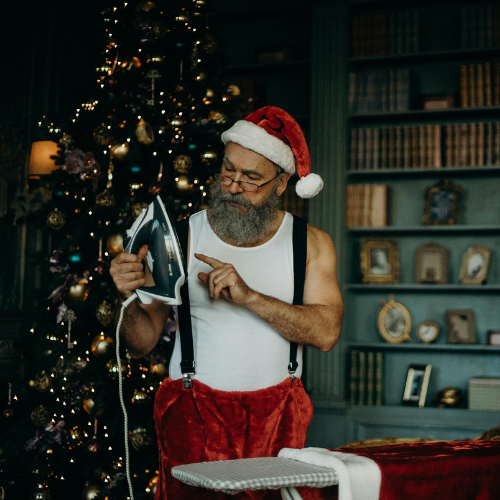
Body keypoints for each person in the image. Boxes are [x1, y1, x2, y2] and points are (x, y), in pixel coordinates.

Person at [110, 106, 343, 499]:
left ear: (282, 183)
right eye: (228, 171)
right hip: (193, 415)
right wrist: (129, 297)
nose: (233, 186)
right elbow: (141, 342)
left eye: (251, 178)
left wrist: (250, 297)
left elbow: (325, 333)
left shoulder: (311, 244)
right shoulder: (182, 238)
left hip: (278, 422)